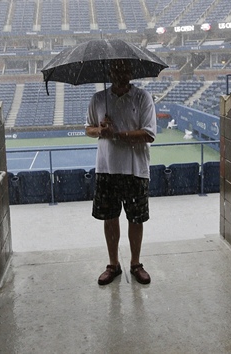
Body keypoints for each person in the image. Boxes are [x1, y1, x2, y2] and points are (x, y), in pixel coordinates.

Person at [85, 59, 156, 285]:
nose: (120, 73)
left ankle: (135, 264)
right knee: (110, 218)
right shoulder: (98, 99)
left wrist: (116, 134)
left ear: (131, 71)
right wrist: (101, 130)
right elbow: (88, 129)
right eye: (116, 69)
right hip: (107, 169)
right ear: (110, 71)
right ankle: (113, 265)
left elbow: (149, 134)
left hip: (136, 170)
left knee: (136, 219)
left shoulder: (142, 97)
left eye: (125, 69)